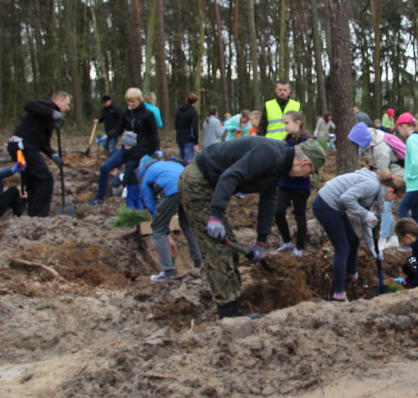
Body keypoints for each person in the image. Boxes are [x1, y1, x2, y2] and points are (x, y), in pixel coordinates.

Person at [179, 136, 326, 317]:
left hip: (212, 185)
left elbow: (268, 200)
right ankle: (228, 311)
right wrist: (216, 217)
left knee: (229, 245)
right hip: (198, 181)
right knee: (218, 248)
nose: (307, 177)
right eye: (310, 172)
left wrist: (261, 242)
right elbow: (230, 176)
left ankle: (231, 298)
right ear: (304, 164)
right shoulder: (270, 154)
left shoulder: (279, 166)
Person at [313, 168, 405, 301]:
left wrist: (373, 246)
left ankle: (352, 274)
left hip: (335, 205)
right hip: (326, 205)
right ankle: (338, 294)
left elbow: (366, 220)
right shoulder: (372, 186)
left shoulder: (377, 189)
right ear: (390, 190)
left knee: (354, 241)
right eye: (394, 198)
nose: (392, 200)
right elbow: (346, 199)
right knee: (342, 248)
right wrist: (365, 214)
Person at [90, 88, 160, 208]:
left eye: (133, 101)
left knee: (140, 176)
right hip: (126, 149)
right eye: (128, 101)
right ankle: (100, 197)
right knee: (104, 168)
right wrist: (107, 136)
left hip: (141, 151)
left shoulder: (148, 114)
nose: (130, 104)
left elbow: (153, 133)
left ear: (139, 100)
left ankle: (147, 202)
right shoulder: (125, 113)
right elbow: (118, 129)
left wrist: (155, 150)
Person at [136, 156, 203, 281]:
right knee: (187, 225)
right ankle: (200, 264)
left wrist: (165, 232)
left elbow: (151, 207)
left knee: (157, 230)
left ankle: (168, 272)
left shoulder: (145, 177)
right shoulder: (166, 164)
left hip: (172, 189)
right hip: (189, 185)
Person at [7, 91, 69, 217]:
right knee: (45, 179)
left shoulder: (48, 120)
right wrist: (52, 112)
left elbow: (43, 143)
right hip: (22, 145)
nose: (67, 108)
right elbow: (28, 105)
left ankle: (32, 213)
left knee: (33, 180)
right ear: (60, 101)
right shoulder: (46, 105)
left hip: (25, 146)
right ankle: (39, 215)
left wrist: (53, 155)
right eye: (67, 104)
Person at [347, 122, 405, 242]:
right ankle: (390, 233)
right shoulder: (369, 137)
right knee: (383, 207)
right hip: (385, 172)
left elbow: (384, 173)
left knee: (385, 207)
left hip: (393, 175)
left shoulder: (380, 148)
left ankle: (385, 238)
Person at [274, 111, 314, 257]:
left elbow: (313, 161)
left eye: (287, 123)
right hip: (284, 183)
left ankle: (299, 247)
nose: (284, 126)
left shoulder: (308, 140)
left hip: (300, 185)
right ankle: (287, 242)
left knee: (300, 216)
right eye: (283, 123)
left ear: (298, 123)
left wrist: (307, 165)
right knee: (278, 212)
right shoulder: (287, 139)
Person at [174, 92, 200, 162]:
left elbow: (176, 125)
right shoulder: (193, 112)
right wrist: (196, 142)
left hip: (179, 138)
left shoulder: (179, 111)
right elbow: (195, 128)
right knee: (188, 162)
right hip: (189, 139)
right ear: (195, 101)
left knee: (181, 161)